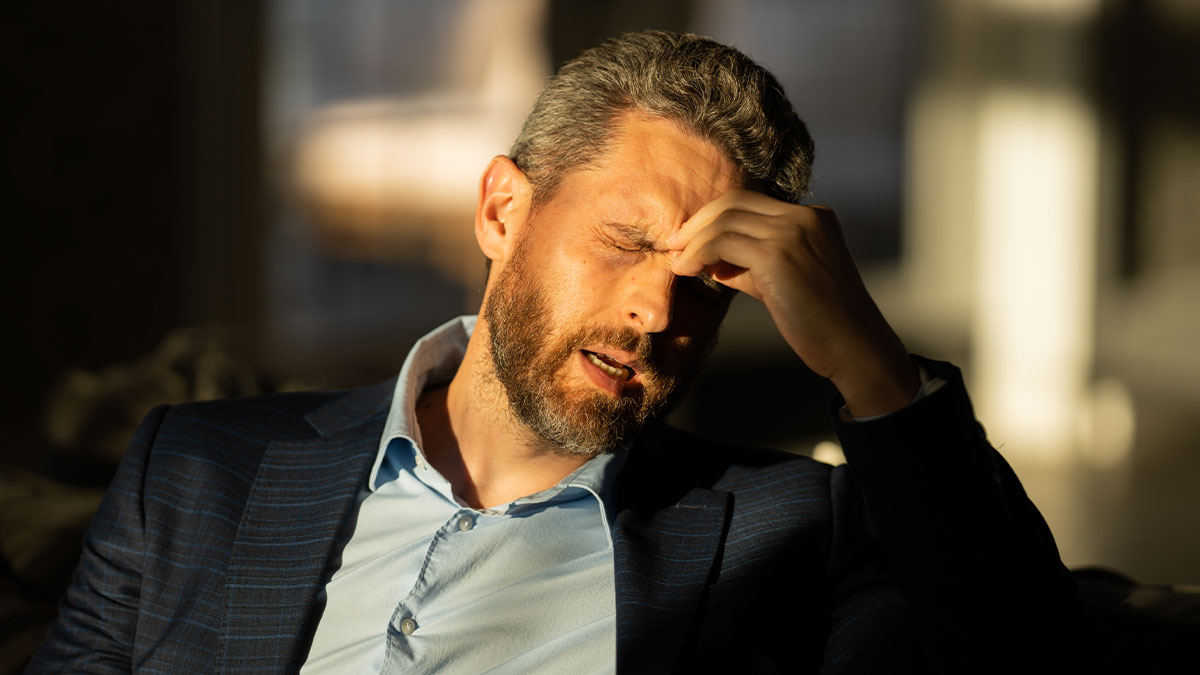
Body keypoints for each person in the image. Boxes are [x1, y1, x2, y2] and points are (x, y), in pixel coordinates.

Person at [28, 30, 1079, 673]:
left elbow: (1025, 655)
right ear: (501, 210)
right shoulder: (197, 469)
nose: (656, 312)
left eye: (713, 283)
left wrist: (871, 364)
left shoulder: (796, 530)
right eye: (626, 243)